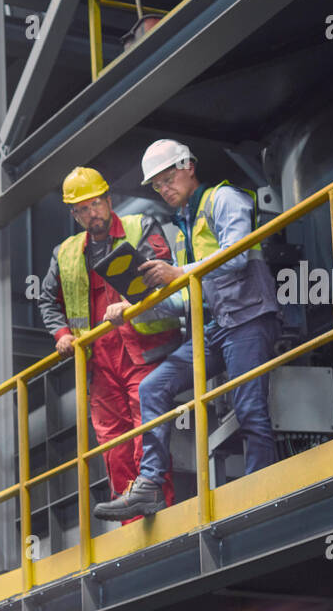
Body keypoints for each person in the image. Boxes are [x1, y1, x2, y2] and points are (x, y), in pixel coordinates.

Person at [94, 140, 281, 521]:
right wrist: (133, 309)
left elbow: (238, 253)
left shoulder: (223, 200)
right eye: (157, 185)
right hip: (216, 328)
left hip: (248, 318)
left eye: (168, 178)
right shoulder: (182, 228)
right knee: (152, 387)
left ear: (189, 166)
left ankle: (262, 490)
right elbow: (183, 299)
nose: (164, 189)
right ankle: (149, 487)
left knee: (249, 408)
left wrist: (178, 273)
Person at [36, 166, 182, 520]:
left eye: (96, 204)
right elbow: (47, 300)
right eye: (83, 209)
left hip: (143, 351)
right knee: (113, 443)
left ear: (108, 200)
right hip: (99, 363)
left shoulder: (140, 226)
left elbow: (164, 277)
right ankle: (130, 519)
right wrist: (63, 335)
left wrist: (132, 306)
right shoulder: (65, 253)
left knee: (144, 433)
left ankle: (159, 510)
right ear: (74, 214)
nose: (92, 214)